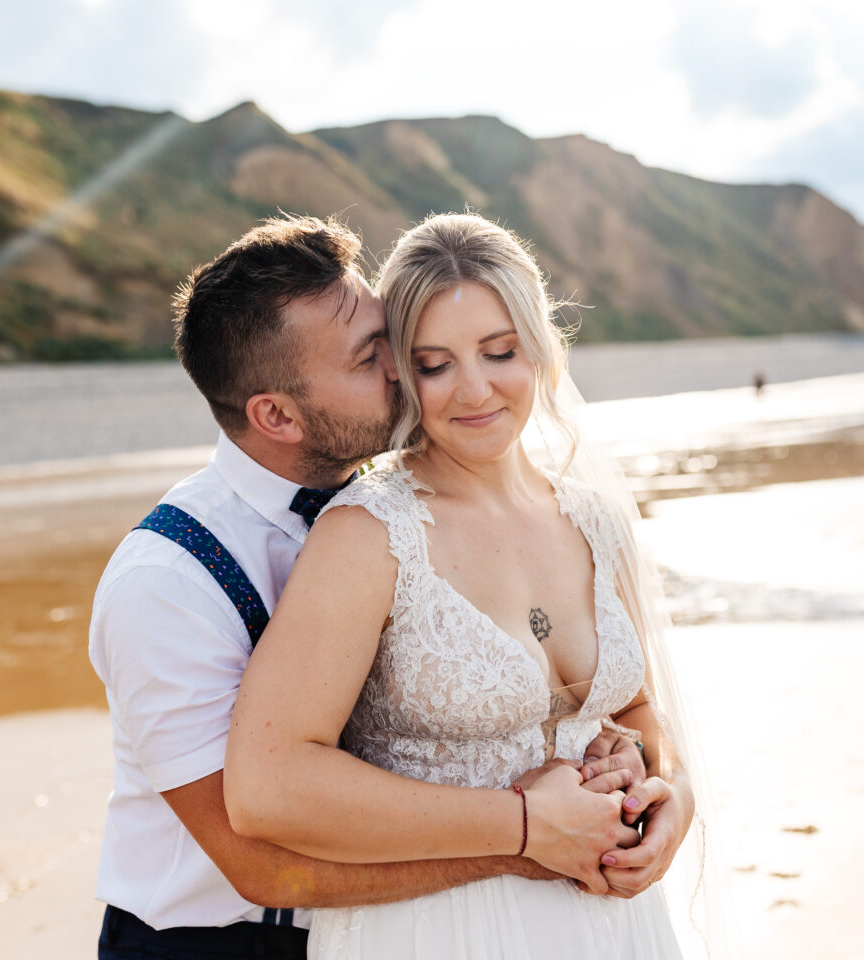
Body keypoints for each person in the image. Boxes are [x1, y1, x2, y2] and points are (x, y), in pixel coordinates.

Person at [87, 215, 660, 960]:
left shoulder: (400, 505)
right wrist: (529, 839)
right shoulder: (164, 585)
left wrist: (645, 786)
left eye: (396, 347)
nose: (401, 374)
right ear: (276, 416)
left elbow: (621, 711)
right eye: (374, 359)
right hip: (217, 938)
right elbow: (258, 861)